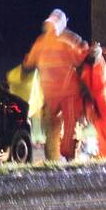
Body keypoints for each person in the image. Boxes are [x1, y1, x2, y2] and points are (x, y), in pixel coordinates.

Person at [23, 9, 88, 161]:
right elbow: (82, 59)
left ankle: (53, 161)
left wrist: (28, 61)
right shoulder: (71, 39)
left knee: (51, 130)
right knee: (70, 127)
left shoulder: (40, 41)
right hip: (69, 93)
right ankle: (71, 159)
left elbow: (28, 65)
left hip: (49, 94)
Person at [79, 43, 106, 159]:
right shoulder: (90, 65)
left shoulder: (93, 60)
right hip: (97, 99)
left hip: (99, 97)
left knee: (104, 125)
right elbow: (86, 85)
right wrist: (90, 104)